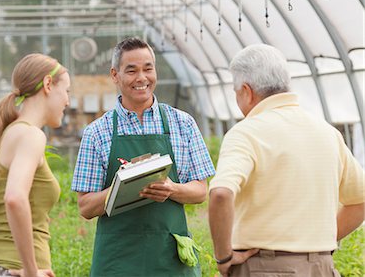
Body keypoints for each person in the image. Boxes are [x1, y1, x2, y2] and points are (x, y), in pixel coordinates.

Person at [208, 44, 365, 277]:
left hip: (264, 267)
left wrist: (223, 256)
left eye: (235, 91)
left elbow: (221, 194)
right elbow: (360, 199)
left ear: (247, 91)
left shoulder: (247, 132)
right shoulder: (326, 132)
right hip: (321, 268)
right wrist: (319, 242)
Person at [72, 37, 215, 276]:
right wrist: (122, 186)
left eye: (148, 69)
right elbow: (85, 207)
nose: (142, 78)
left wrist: (171, 189)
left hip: (170, 258)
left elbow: (201, 191)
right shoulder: (97, 133)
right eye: (132, 70)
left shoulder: (182, 124)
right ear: (115, 75)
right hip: (117, 262)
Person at [0, 53, 71, 277]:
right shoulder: (31, 135)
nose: (67, 101)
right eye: (67, 91)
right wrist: (31, 272)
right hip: (13, 270)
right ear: (48, 84)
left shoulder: (3, 137)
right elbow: (14, 198)